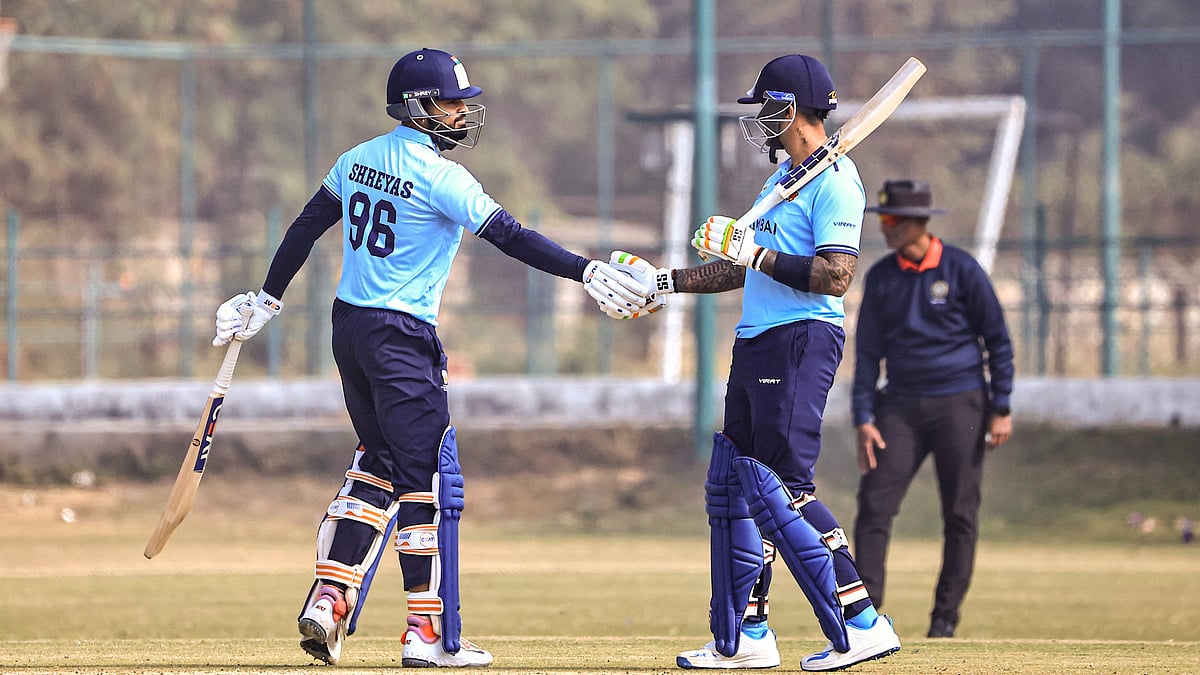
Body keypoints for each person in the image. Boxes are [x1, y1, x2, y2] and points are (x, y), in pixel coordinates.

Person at [211, 47, 657, 668]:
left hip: (350, 330)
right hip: (401, 337)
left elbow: (304, 228)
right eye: (451, 103)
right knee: (422, 482)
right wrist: (585, 271)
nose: (462, 113)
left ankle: (330, 595)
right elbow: (511, 236)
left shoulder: (356, 158)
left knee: (379, 462)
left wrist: (268, 297)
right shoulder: (441, 177)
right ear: (420, 108)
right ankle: (424, 631)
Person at [612, 53, 900, 672]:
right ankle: (749, 632)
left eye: (766, 107)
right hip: (757, 341)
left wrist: (757, 254)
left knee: (784, 490)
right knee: (739, 487)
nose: (758, 120)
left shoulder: (836, 181)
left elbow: (835, 276)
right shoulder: (781, 180)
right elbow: (736, 265)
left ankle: (863, 619)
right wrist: (662, 281)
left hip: (801, 339)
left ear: (793, 110)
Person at [850, 179, 1015, 640]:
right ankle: (863, 615)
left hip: (962, 403)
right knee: (875, 503)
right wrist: (863, 416)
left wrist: (1000, 407)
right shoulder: (881, 277)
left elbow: (998, 341)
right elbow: (866, 354)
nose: (883, 229)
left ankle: (944, 620)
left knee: (960, 513)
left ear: (918, 223)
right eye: (881, 219)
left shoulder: (963, 269)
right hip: (899, 406)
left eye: (891, 220)